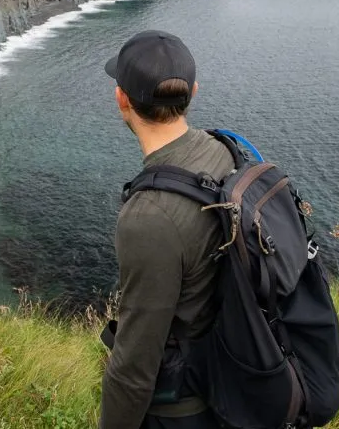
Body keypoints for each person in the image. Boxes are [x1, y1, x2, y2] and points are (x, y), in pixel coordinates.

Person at [99, 30, 233, 429]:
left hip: (185, 408)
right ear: (192, 92)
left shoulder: (148, 217)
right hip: (232, 371)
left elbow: (134, 367)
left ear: (122, 98)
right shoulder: (223, 149)